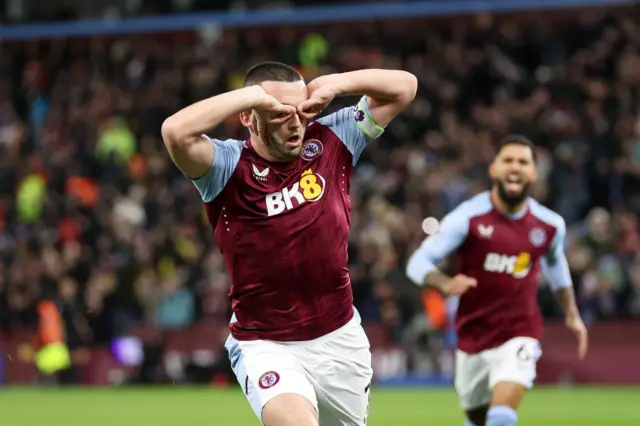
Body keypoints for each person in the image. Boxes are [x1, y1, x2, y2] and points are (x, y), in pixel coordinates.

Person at [161, 62, 417, 426]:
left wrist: (334, 84)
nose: (296, 123)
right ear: (250, 117)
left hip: (340, 339)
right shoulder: (225, 166)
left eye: (301, 111)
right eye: (280, 113)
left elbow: (404, 87)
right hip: (267, 343)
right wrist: (251, 97)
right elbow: (175, 131)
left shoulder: (333, 138)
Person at [405, 135, 588, 426]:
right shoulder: (468, 217)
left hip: (520, 333)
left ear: (533, 173)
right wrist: (444, 283)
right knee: (477, 419)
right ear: (494, 169)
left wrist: (571, 314)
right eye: (508, 160)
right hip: (472, 336)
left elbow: (555, 263)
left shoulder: (550, 225)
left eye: (523, 162)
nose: (515, 167)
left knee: (501, 415)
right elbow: (417, 263)